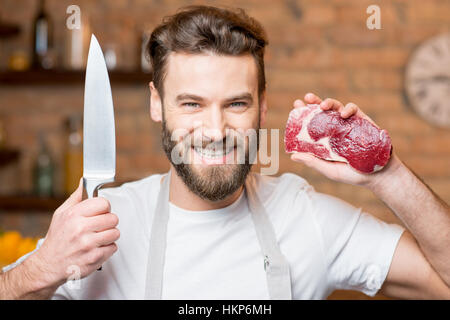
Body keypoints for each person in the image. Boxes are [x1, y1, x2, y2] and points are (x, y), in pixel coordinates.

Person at [1, 5, 449, 300]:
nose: (215, 131)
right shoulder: (103, 223)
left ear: (263, 105)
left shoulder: (304, 216)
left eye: (236, 104)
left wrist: (386, 174)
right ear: (157, 103)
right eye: (192, 104)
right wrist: (42, 267)